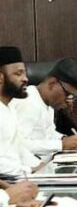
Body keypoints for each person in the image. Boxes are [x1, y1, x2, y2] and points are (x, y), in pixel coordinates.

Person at [11, 58, 77, 153]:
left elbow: (48, 134)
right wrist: (61, 145)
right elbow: (18, 145)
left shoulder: (47, 104)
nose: (69, 99)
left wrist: (65, 139)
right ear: (52, 83)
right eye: (67, 93)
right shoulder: (28, 102)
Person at [0, 46, 43, 176]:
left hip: (20, 177)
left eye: (24, 73)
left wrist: (40, 166)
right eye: (18, 74)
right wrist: (28, 170)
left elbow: (19, 148)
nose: (25, 79)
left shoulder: (10, 108)